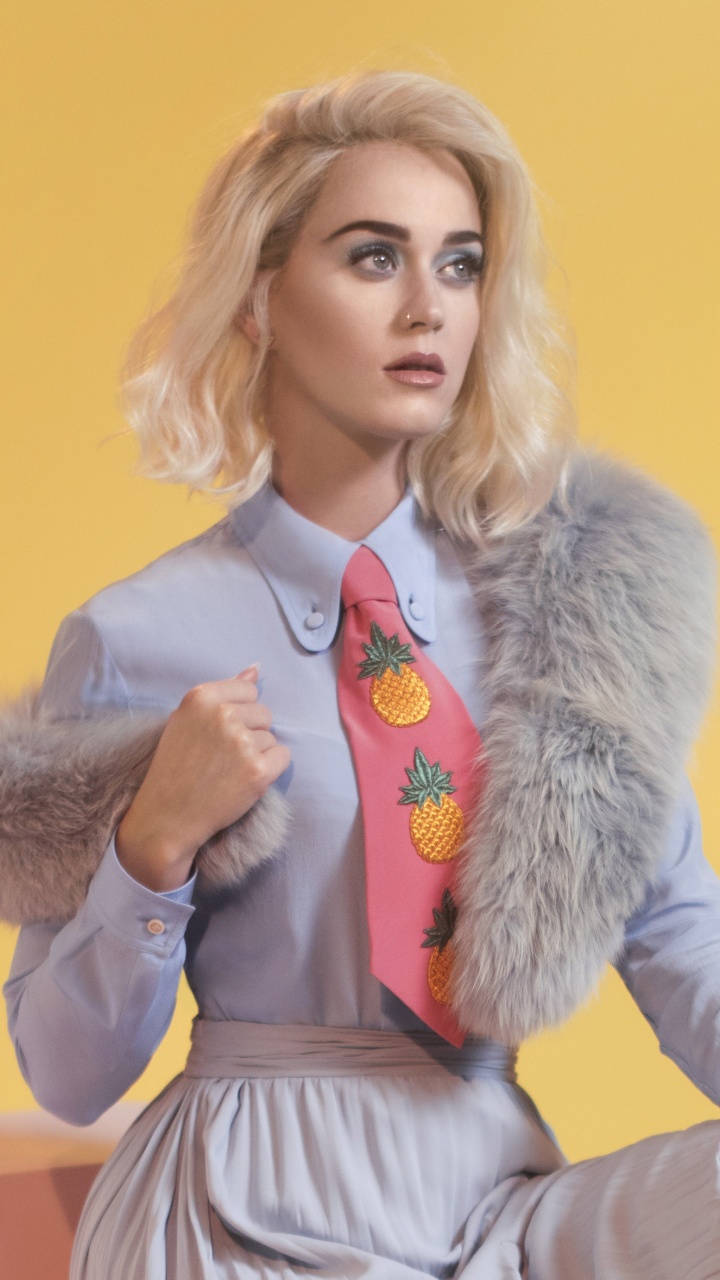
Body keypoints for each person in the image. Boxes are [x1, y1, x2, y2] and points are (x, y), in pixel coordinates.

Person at [1, 69, 719, 1279]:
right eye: (375, 257)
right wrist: (152, 843)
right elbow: (68, 1072)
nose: (428, 308)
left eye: (460, 264)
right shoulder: (136, 635)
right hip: (243, 1203)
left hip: (498, 1206)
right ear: (259, 298)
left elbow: (678, 929)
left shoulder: (571, 608)